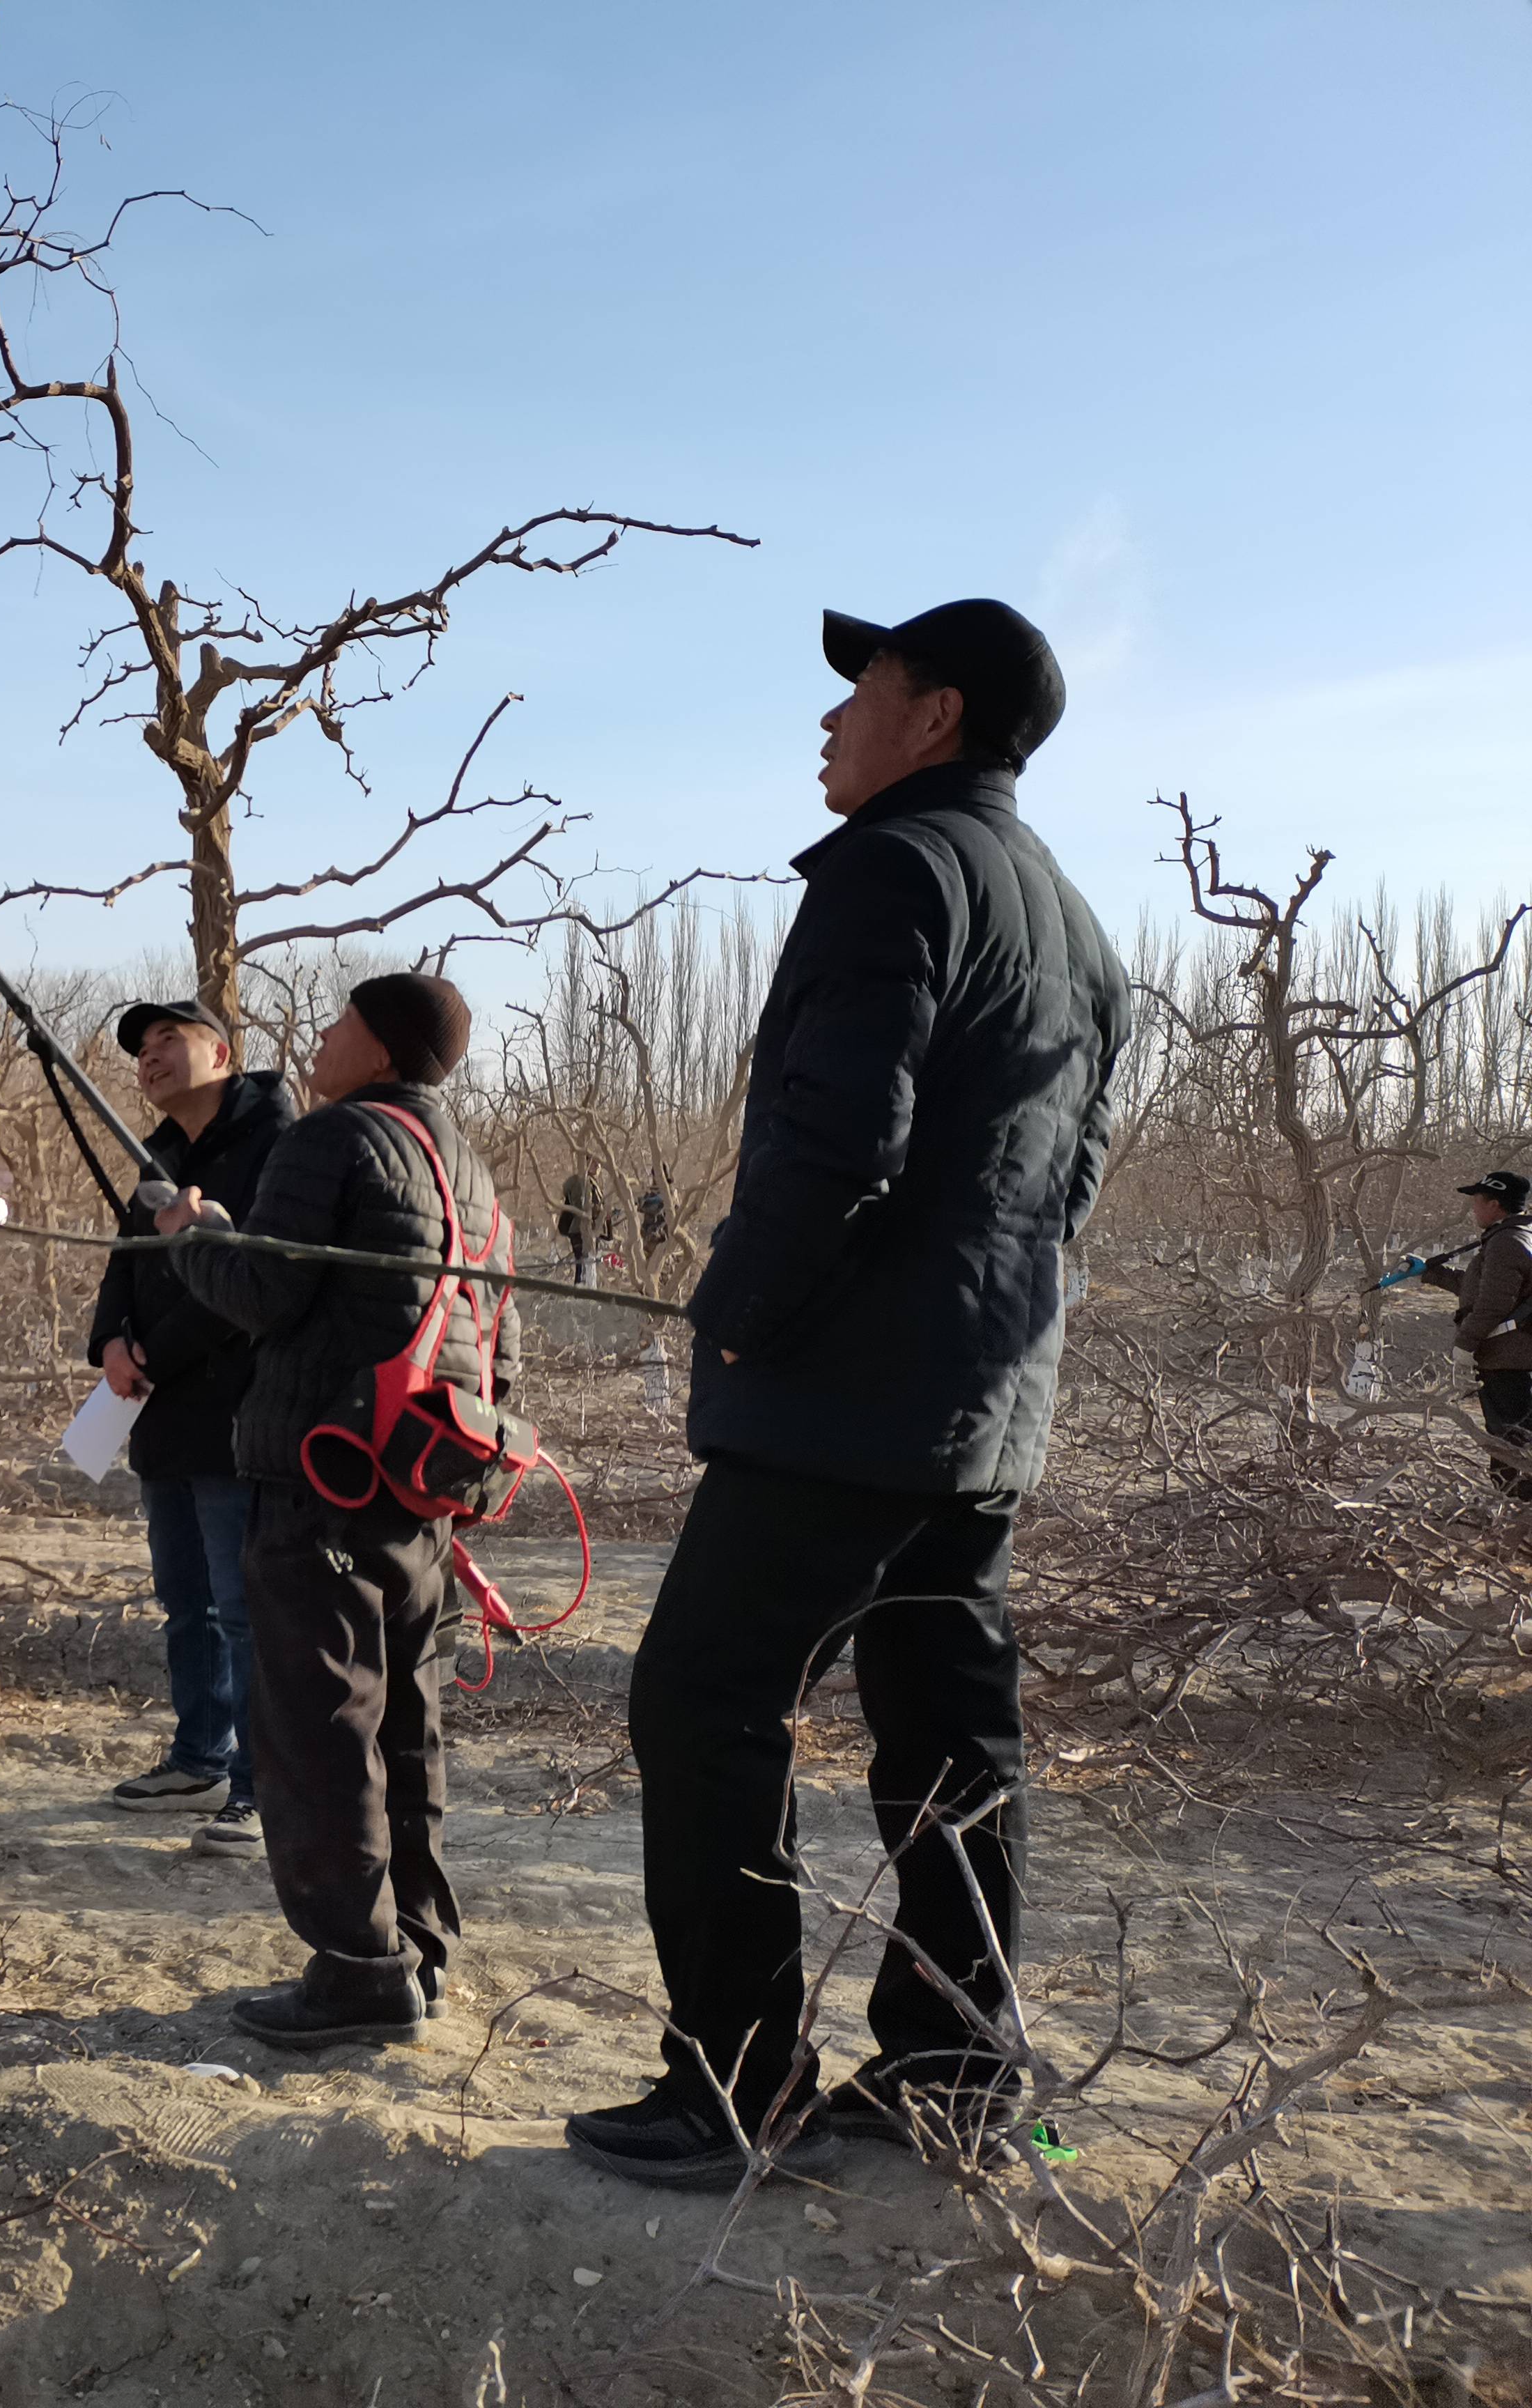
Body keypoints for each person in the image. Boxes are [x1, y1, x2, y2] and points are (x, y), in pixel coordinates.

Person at [564, 601, 1130, 2191]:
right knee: (949, 1731)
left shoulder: (898, 868)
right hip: (984, 1398)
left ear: (931, 713)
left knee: (705, 1693)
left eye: (858, 688)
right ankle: (959, 2072)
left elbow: (839, 1136)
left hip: (847, 1400)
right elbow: (1062, 1191)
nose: (831, 719)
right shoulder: (1079, 926)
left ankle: (735, 2083)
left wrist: (744, 1312)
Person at [157, 971, 517, 2048]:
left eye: (337, 1024)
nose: (316, 1038)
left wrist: (194, 1235)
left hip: (319, 1484)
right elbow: (499, 1350)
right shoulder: (478, 1174)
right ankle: (418, 1949)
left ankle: (360, 1971)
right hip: (423, 1494)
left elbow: (264, 1295)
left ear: (380, 1048)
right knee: (408, 1723)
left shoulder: (332, 1141)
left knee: (318, 1733)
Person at [86, 999, 292, 1855]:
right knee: (186, 1603)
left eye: (171, 1039)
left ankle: (262, 1787)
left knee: (245, 1610)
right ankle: (201, 1756)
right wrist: (108, 1345)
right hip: (159, 1411)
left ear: (224, 1051)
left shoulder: (277, 1139)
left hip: (239, 1411)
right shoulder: (157, 1155)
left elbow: (250, 1287)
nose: (151, 1057)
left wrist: (154, 1351)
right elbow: (126, 1263)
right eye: (142, 1048)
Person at [1416, 1170, 1531, 1497]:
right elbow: (1478, 1288)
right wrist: (1431, 1272)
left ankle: (1515, 1518)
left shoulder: (1507, 1243)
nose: (1473, 1209)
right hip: (1512, 1357)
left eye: (1477, 1202)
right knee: (1510, 1441)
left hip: (1509, 1360)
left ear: (1495, 1204)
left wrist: (1465, 1344)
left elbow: (1493, 1304)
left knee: (1511, 1444)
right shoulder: (1516, 1236)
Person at [557, 1169, 599, 1286]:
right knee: (582, 1262)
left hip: (584, 1229)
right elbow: (580, 1207)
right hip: (578, 1229)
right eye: (595, 1164)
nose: (598, 1167)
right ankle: (582, 1292)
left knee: (584, 1262)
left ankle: (585, 1289)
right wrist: (596, 1210)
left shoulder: (590, 1182)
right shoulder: (581, 1183)